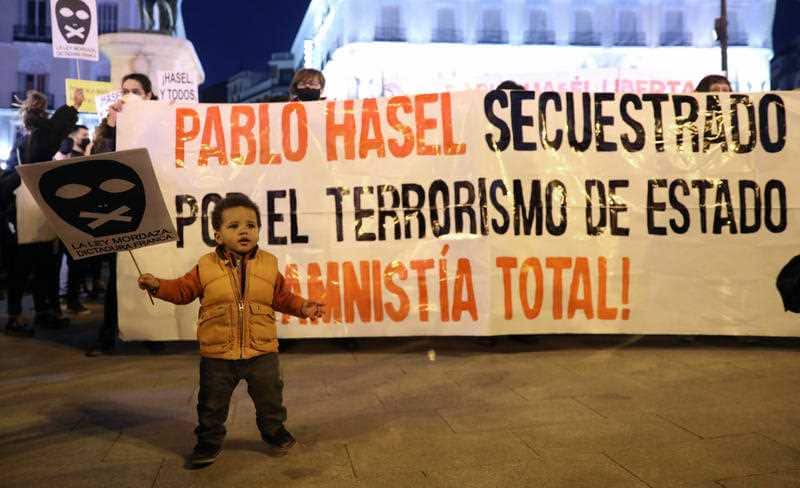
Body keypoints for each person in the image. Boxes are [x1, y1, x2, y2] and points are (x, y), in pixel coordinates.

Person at [137, 194, 325, 468]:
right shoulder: (205, 266)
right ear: (218, 235)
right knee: (211, 404)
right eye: (234, 226)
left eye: (251, 225)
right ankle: (208, 442)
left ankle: (274, 431)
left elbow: (282, 298)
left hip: (261, 351)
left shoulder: (269, 264)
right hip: (218, 354)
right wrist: (157, 285)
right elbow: (181, 290)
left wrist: (303, 307)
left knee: (270, 397)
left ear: (259, 231)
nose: (244, 230)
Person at [86, 73, 155, 355]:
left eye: (135, 91)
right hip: (122, 212)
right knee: (119, 277)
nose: (128, 96)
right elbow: (99, 163)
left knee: (154, 272)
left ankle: (154, 333)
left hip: (153, 208)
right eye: (124, 91)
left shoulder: (162, 119)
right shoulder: (109, 126)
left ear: (148, 96)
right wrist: (112, 127)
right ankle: (107, 336)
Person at [5, 89, 83, 335]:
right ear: (43, 111)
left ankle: (19, 313)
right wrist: (73, 106)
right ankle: (38, 312)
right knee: (41, 265)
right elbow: (55, 130)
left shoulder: (23, 137)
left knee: (23, 266)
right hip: (36, 205)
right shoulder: (41, 134)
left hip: (22, 208)